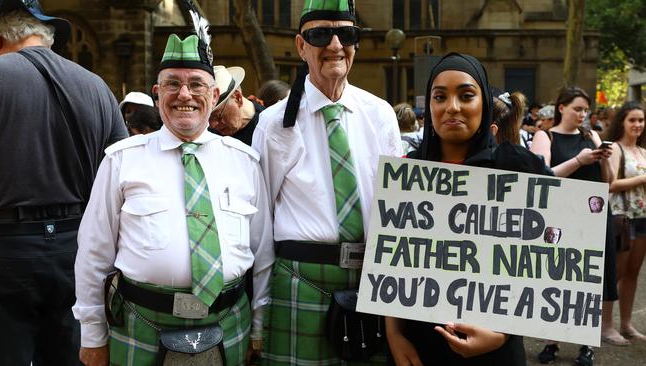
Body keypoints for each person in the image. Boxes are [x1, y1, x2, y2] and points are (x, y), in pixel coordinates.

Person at [73, 33, 274, 366]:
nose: (185, 95)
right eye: (172, 84)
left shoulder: (244, 161)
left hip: (228, 322)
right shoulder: (121, 160)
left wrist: (259, 326)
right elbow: (93, 255)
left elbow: (263, 253)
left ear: (214, 94)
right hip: (142, 323)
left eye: (196, 85)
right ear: (157, 94)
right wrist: (93, 335)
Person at [252, 0, 402, 364]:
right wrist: (260, 316)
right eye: (321, 34)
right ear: (301, 45)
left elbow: (399, 213)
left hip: (373, 283)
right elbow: (260, 227)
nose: (335, 45)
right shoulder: (274, 123)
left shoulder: (380, 114)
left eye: (346, 34)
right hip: (300, 283)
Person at [387, 52, 552, 366]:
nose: (452, 107)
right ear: (429, 107)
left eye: (466, 95)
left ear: (484, 105)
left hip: (495, 350)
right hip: (419, 346)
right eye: (440, 96)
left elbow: (550, 257)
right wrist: (395, 335)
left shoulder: (517, 168)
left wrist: (503, 333)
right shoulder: (406, 174)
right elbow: (389, 260)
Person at [0, 1, 128, 365]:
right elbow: (120, 177)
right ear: (47, 37)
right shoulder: (97, 86)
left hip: (6, 248)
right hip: (77, 245)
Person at [530, 86, 615, 366]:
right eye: (577, 108)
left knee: (588, 281)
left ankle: (586, 345)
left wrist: (600, 154)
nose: (583, 114)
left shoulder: (592, 136)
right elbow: (543, 176)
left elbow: (608, 181)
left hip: (592, 215)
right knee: (555, 278)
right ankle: (551, 341)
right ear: (562, 107)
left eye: (585, 110)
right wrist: (580, 160)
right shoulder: (545, 136)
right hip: (558, 216)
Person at [603, 101, 646, 346]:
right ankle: (605, 326)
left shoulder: (643, 151)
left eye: (641, 120)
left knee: (633, 273)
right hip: (622, 218)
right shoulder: (616, 148)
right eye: (633, 120)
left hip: (643, 217)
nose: (637, 125)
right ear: (622, 122)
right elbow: (609, 184)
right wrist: (642, 178)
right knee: (615, 273)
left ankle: (626, 324)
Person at [208, 65, 264, 146]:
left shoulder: (266, 127)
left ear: (238, 98)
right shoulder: (208, 133)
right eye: (208, 118)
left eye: (217, 116)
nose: (213, 125)